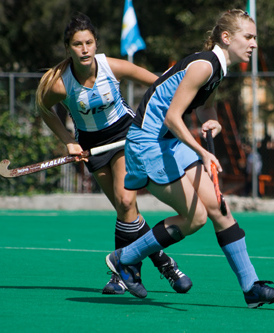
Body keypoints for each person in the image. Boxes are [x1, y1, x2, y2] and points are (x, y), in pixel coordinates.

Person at [105, 9, 274, 308]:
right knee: (196, 218)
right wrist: (202, 151)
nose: (254, 43)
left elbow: (204, 106)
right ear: (227, 38)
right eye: (248, 36)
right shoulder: (204, 66)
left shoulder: (217, 68)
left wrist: (213, 120)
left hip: (169, 142)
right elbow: (173, 116)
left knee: (218, 208)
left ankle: (252, 287)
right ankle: (124, 259)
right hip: (148, 144)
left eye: (255, 37)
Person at [35, 13, 192, 295]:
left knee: (124, 198)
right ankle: (162, 263)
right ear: (68, 48)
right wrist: (69, 141)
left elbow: (160, 85)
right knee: (125, 211)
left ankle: (126, 272)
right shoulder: (61, 83)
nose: (84, 49)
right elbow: (45, 111)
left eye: (89, 42)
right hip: (92, 147)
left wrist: (168, 114)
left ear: (96, 44)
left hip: (124, 135)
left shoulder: (112, 66)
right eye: (77, 44)